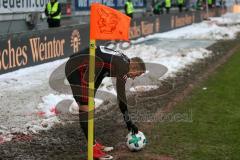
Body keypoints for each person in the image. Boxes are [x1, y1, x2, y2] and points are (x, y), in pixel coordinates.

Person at [65, 46, 146, 159]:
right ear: (134, 67)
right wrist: (129, 123)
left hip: (83, 66)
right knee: (86, 107)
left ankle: (94, 144)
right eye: (136, 75)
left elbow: (102, 70)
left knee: (89, 104)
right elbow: (121, 99)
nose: (133, 78)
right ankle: (92, 150)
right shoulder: (123, 67)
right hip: (76, 68)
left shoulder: (123, 61)